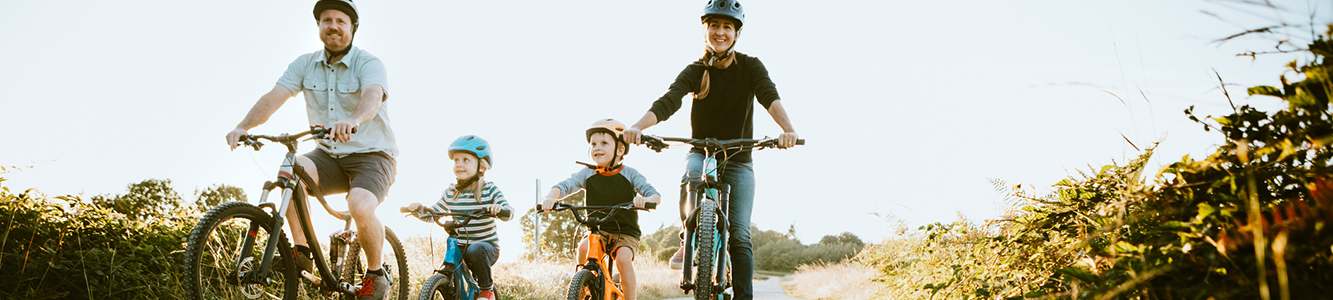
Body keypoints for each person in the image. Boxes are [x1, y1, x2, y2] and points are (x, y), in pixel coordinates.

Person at [619, 1, 799, 299]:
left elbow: (769, 96)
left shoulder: (751, 66)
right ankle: (687, 237)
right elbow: (670, 100)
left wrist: (788, 130)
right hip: (701, 152)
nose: (720, 32)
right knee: (691, 171)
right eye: (714, 25)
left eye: (727, 26)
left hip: (740, 159)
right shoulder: (696, 70)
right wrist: (638, 127)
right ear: (705, 31)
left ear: (736, 34)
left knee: (740, 235)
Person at [223, 1, 397, 298]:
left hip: (372, 155)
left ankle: (375, 274)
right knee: (290, 172)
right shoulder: (304, 64)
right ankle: (302, 252)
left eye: (341, 21)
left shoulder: (368, 63)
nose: (333, 26)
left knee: (359, 204)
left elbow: (372, 96)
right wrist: (243, 126)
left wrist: (353, 120)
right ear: (318, 26)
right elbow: (273, 97)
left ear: (353, 28)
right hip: (329, 155)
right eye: (327, 20)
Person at [542, 119, 662, 300]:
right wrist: (550, 197)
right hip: (598, 229)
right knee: (583, 248)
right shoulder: (588, 173)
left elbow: (655, 196)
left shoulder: (630, 174)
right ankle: (582, 287)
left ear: (620, 150)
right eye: (593, 144)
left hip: (625, 233)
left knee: (622, 259)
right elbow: (566, 185)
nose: (597, 147)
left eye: (604, 143)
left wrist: (644, 200)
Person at [406, 135, 512, 300]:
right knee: (452, 250)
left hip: (485, 249)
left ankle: (486, 290)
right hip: (461, 247)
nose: (459, 164)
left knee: (475, 249)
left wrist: (499, 209)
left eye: (465, 160)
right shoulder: (450, 192)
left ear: (481, 165)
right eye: (456, 160)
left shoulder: (489, 189)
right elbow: (434, 213)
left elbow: (509, 211)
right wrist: (419, 210)